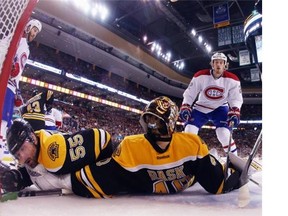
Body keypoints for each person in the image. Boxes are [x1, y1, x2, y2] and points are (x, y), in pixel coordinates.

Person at [2, 96, 243, 197]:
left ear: (170, 123)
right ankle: (24, 174)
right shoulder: (133, 146)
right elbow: (218, 183)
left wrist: (230, 176)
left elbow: (217, 183)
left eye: (156, 121)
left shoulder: (189, 144)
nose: (152, 127)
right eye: (149, 121)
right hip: (172, 188)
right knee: (67, 176)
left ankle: (24, 174)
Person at [0, 118, 114, 193]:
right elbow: (31, 175)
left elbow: (102, 138)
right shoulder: (33, 156)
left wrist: (101, 170)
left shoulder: (54, 151)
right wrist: (16, 178)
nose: (22, 158)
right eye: (18, 155)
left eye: (23, 149)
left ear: (33, 138)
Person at [179, 53, 243, 155]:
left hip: (220, 108)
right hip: (201, 107)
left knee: (224, 134)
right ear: (212, 64)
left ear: (225, 65)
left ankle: (233, 164)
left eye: (221, 62)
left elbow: (235, 98)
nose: (218, 65)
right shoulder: (200, 76)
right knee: (189, 131)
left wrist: (235, 111)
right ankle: (189, 160)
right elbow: (190, 93)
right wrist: (186, 106)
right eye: (216, 62)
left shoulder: (233, 79)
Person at [0, 19, 42, 160]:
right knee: (4, 119)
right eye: (34, 29)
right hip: (7, 84)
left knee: (7, 119)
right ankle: (1, 145)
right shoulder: (20, 42)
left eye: (37, 32)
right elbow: (15, 69)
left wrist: (18, 91)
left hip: (10, 85)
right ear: (28, 27)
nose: (35, 33)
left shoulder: (20, 43)